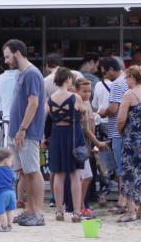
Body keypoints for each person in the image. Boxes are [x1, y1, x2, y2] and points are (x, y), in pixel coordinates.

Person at [3, 39, 46, 226]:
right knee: (25, 172)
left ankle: (37, 212)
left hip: (26, 133)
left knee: (33, 170)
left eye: (7, 56)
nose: (6, 61)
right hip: (17, 132)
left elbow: (34, 103)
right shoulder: (21, 74)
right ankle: (30, 210)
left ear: (17, 52)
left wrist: (23, 128)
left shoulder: (31, 74)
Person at [47, 68, 85, 223]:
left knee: (58, 174)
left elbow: (50, 117)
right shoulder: (75, 97)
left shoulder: (50, 98)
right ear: (68, 79)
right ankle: (76, 212)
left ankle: (59, 211)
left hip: (57, 134)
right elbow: (83, 112)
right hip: (73, 135)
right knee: (75, 174)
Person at [117, 66, 141, 221]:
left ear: (132, 78)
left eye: (127, 78)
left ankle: (130, 210)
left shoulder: (129, 94)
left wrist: (121, 132)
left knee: (130, 173)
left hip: (132, 137)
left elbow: (121, 119)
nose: (126, 81)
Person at [98, 57, 130, 215]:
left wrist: (102, 111)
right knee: (124, 167)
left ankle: (122, 202)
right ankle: (125, 201)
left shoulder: (117, 84)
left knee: (120, 168)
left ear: (111, 69)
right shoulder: (127, 81)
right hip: (127, 131)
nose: (105, 76)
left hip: (118, 131)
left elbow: (112, 109)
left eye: (105, 72)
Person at [76, 77, 108, 216]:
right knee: (85, 176)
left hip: (88, 145)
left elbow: (90, 125)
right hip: (81, 144)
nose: (87, 94)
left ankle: (82, 204)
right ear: (77, 90)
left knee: (87, 176)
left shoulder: (87, 102)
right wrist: (97, 142)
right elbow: (85, 129)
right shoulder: (79, 104)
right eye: (84, 91)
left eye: (89, 91)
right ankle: (80, 204)